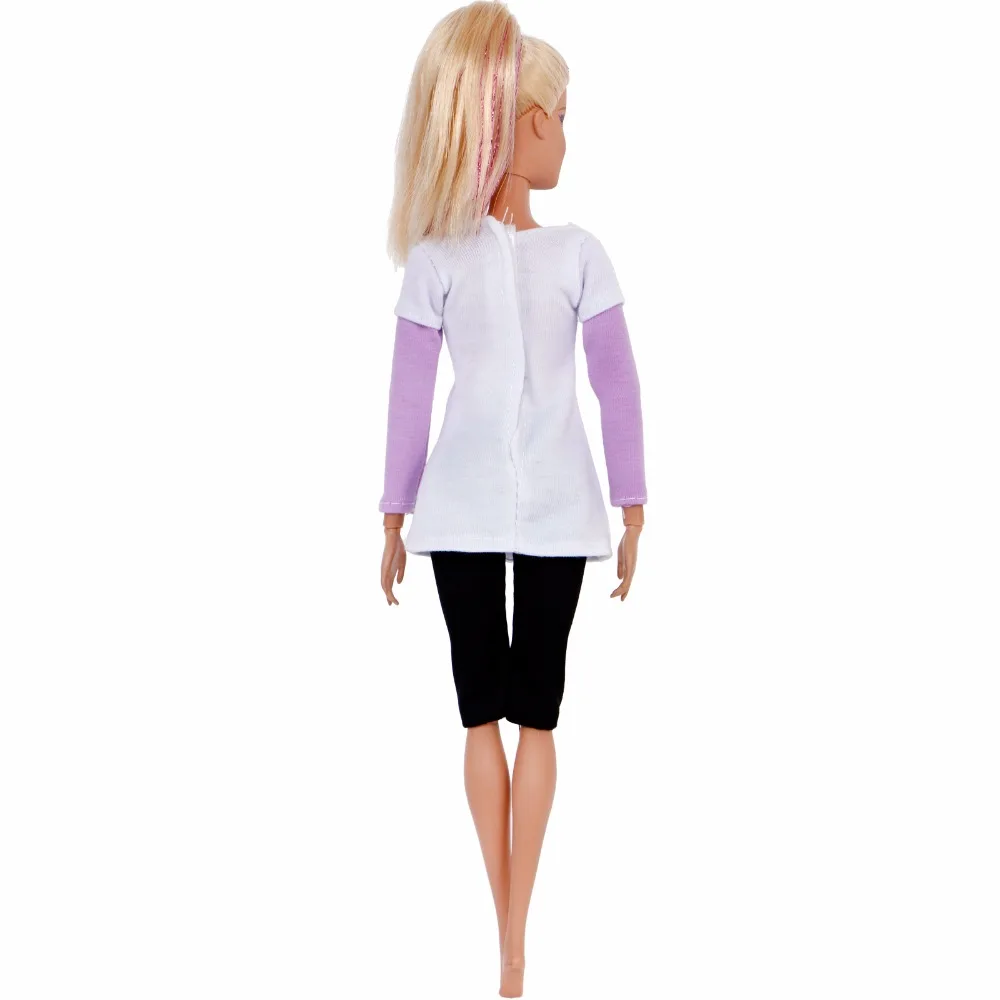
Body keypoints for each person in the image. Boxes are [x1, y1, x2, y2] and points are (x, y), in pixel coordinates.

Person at [377, 3, 647, 995]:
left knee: (532, 709)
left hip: (552, 511)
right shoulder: (438, 259)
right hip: (461, 508)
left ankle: (513, 933)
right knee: (486, 710)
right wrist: (394, 511)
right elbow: (409, 398)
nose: (565, 137)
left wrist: (631, 501)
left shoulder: (577, 253)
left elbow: (616, 384)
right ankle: (511, 935)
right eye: (561, 118)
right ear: (527, 121)